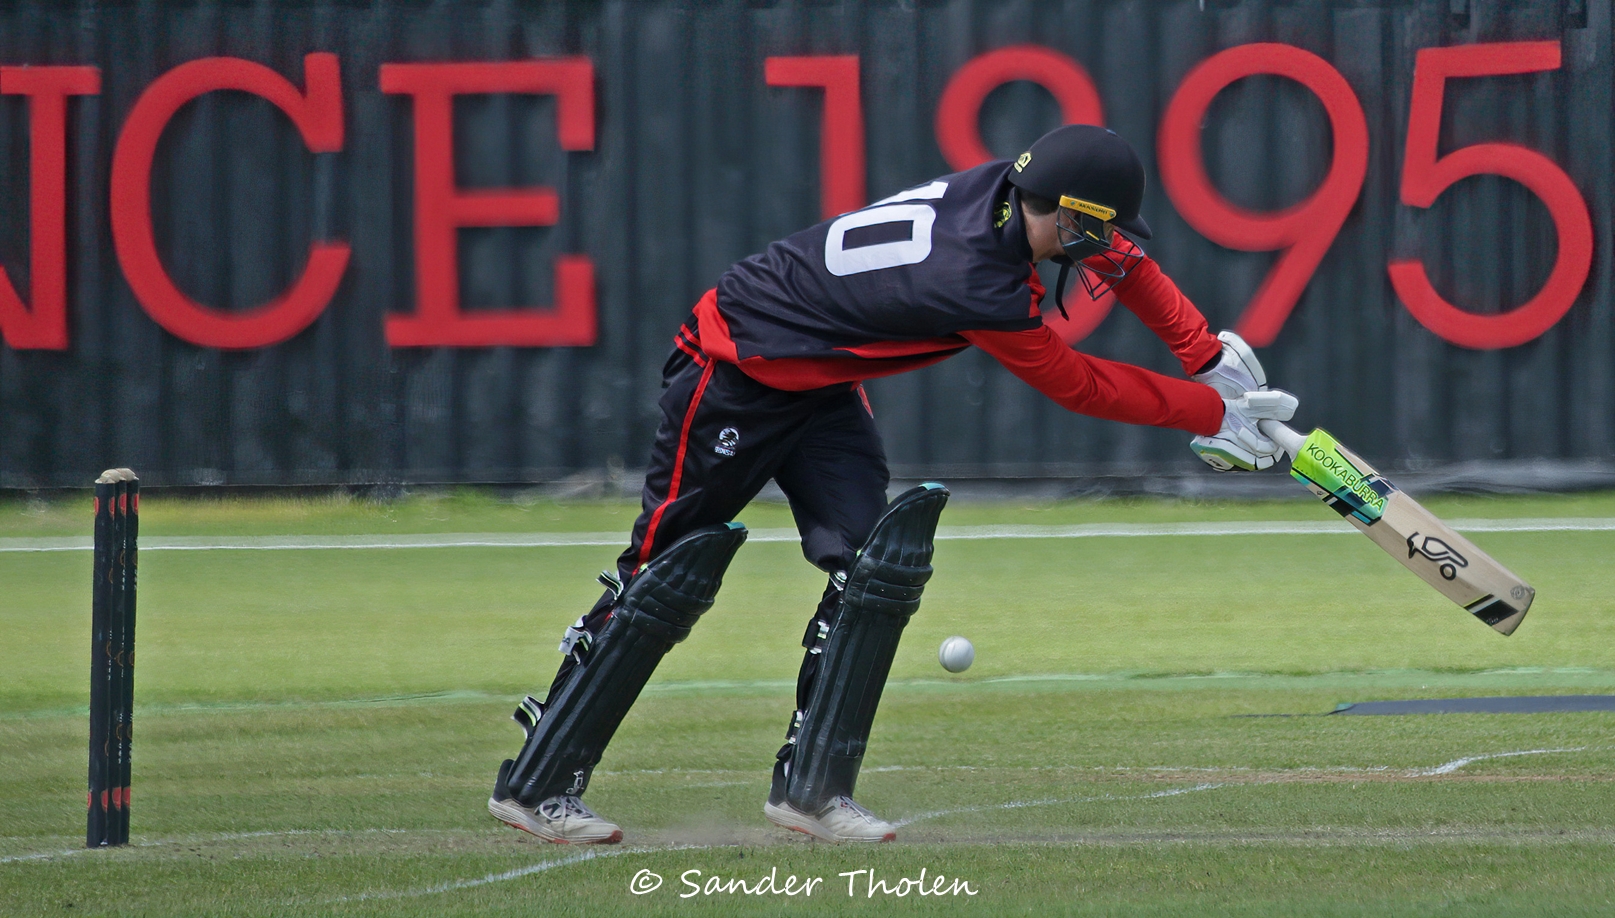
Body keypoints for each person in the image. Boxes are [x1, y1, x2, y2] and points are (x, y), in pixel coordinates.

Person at [487, 124, 1296, 845]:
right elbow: (1075, 384)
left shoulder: (1011, 193)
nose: (1107, 244)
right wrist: (1208, 413)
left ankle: (811, 793)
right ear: (1066, 213)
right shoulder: (972, 278)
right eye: (1098, 227)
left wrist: (1207, 357)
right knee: (662, 576)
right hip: (733, 368)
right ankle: (535, 784)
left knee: (871, 571)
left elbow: (1124, 262)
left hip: (816, 384)